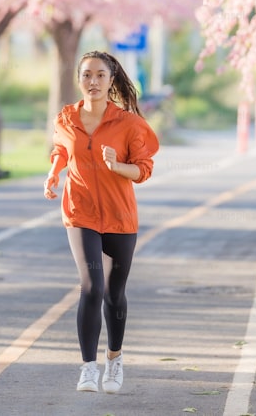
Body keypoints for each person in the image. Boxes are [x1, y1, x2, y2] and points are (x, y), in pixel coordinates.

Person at [43, 50, 160, 394]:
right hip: (81, 212)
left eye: (99, 76)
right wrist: (53, 173)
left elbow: (143, 170)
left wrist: (115, 166)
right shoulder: (67, 117)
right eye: (86, 75)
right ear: (78, 80)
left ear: (111, 81)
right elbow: (61, 149)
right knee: (92, 287)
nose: (92, 82)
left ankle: (114, 359)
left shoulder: (129, 124)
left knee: (114, 294)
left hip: (120, 216)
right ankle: (88, 368)